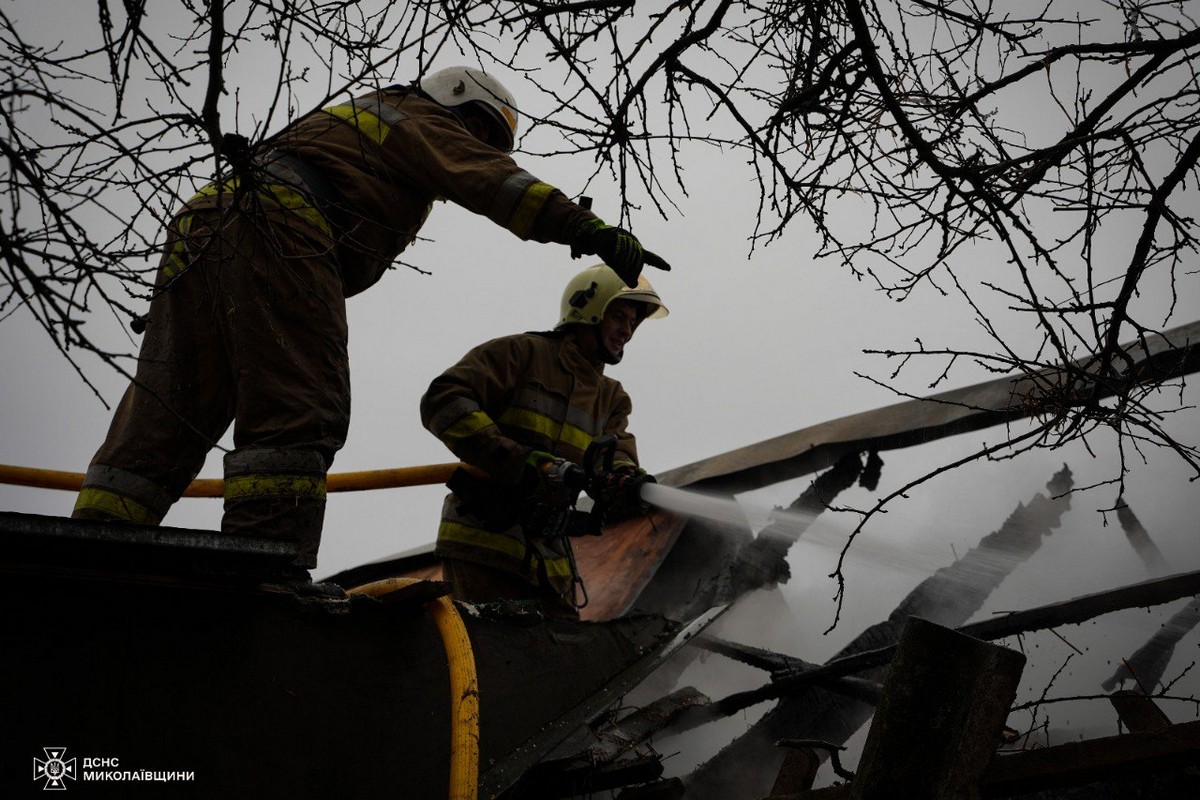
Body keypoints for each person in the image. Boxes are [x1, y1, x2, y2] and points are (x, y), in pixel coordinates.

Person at [71, 66, 667, 569]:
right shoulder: (416, 118)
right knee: (299, 411)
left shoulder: (356, 125)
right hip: (283, 229)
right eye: (481, 130)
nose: (481, 147)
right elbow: (491, 181)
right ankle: (263, 569)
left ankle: (92, 554)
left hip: (209, 224)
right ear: (454, 100)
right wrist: (584, 228)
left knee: (173, 408)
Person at [421, 263, 667, 616]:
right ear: (590, 309)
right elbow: (443, 399)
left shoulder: (611, 398)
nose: (627, 330)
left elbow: (612, 458)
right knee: (489, 659)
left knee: (558, 662)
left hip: (550, 562)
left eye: (633, 322)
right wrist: (517, 460)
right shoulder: (521, 354)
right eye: (619, 316)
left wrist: (623, 480)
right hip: (486, 546)